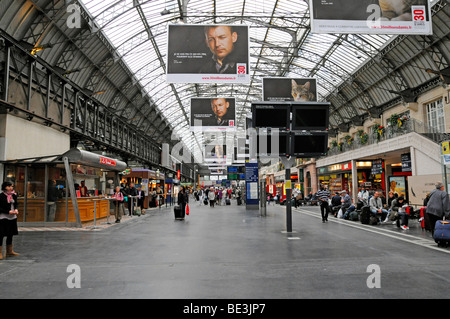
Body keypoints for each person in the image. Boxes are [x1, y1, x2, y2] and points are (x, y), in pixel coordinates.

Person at [0, 181, 20, 259]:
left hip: (12, 217)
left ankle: (9, 251)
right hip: (3, 217)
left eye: (12, 186)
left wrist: (16, 209)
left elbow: (16, 204)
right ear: (5, 187)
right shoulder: (1, 196)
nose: (11, 188)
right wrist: (8, 211)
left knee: (10, 234)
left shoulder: (14, 195)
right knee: (1, 235)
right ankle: (0, 253)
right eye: (9, 186)